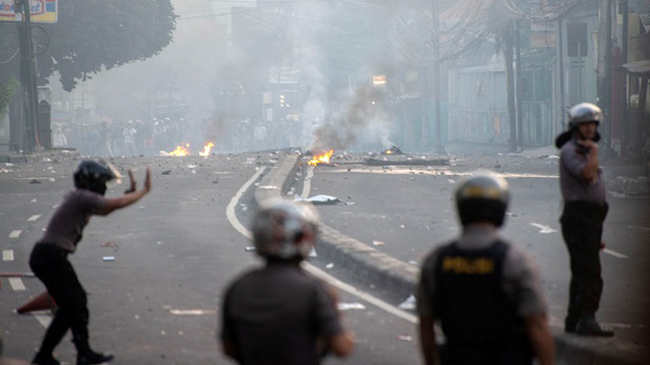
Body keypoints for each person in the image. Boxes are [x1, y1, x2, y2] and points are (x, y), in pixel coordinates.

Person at [417, 172, 555, 365]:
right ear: (501, 209)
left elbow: (426, 324)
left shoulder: (436, 261)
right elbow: (537, 323)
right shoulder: (516, 262)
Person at [29, 160, 152, 365]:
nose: (104, 188)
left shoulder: (80, 198)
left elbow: (106, 210)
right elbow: (111, 205)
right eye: (102, 183)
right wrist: (141, 192)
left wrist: (128, 195)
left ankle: (79, 353)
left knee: (75, 304)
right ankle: (47, 355)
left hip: (49, 256)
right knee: (73, 304)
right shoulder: (81, 197)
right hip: (50, 256)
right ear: (91, 182)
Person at [219, 200, 355, 365]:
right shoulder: (314, 290)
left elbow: (228, 348)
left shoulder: (238, 287)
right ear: (304, 239)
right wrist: (335, 312)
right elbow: (342, 348)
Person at [554, 102, 613, 337]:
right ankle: (587, 319)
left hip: (591, 219)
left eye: (593, 124)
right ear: (575, 127)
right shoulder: (572, 150)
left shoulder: (585, 150)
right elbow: (587, 174)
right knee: (589, 272)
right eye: (585, 124)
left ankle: (574, 319)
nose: (590, 129)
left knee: (581, 270)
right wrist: (595, 153)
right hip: (579, 218)